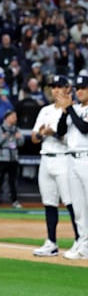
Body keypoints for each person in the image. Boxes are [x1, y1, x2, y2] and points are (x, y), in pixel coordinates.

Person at [31, 75, 79, 257]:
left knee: (71, 203)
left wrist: (55, 134)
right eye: (53, 87)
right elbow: (34, 138)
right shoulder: (45, 110)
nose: (56, 90)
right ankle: (51, 242)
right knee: (49, 203)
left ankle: (80, 242)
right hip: (46, 158)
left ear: (68, 89)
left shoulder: (73, 110)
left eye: (59, 86)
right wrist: (43, 134)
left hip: (64, 159)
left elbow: (74, 139)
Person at [56, 75, 88, 260]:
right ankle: (83, 245)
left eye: (83, 87)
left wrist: (69, 109)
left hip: (86, 159)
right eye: (78, 88)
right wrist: (64, 111)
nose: (80, 91)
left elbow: (84, 128)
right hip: (72, 160)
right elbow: (60, 131)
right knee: (78, 207)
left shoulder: (78, 110)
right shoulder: (73, 108)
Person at [0, 110, 25, 208]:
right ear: (7, 118)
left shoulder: (17, 130)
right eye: (13, 117)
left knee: (13, 181)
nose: (15, 119)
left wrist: (19, 138)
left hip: (13, 158)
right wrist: (2, 138)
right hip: (2, 158)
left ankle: (14, 201)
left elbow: (21, 143)